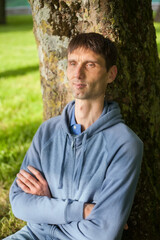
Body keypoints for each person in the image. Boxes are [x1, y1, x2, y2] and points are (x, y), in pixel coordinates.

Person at [4, 32, 143, 240]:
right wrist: (84, 210)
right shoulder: (48, 131)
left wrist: (46, 208)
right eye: (72, 63)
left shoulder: (125, 144)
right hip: (31, 234)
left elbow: (102, 233)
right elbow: (19, 203)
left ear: (111, 74)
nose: (77, 74)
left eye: (90, 65)